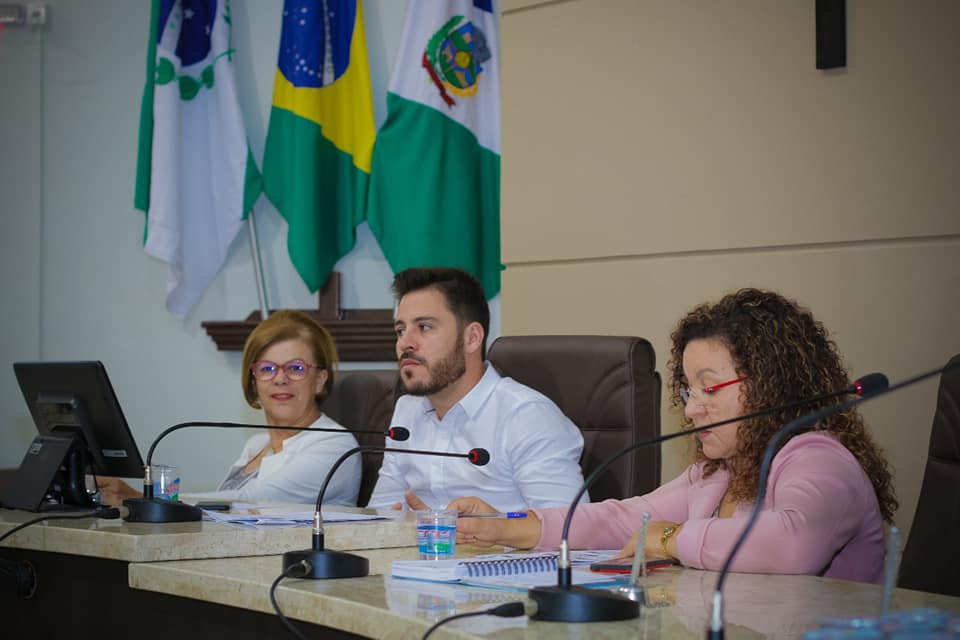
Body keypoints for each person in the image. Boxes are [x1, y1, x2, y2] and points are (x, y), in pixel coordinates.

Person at [454, 288, 897, 584]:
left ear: (771, 384)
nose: (691, 407)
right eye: (688, 389)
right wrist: (506, 527)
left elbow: (792, 544)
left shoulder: (818, 457)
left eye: (710, 387)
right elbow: (621, 519)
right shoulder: (717, 473)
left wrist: (670, 539)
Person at [366, 267, 588, 512]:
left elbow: (571, 531)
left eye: (424, 327)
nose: (405, 343)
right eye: (400, 330)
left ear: (472, 338)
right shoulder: (407, 411)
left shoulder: (526, 416)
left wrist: (491, 530)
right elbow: (381, 515)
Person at [97, 310, 361, 506]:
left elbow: (247, 503)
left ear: (320, 380)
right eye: (267, 369)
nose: (280, 379)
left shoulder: (335, 447)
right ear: (254, 380)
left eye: (296, 368)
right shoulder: (257, 445)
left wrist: (139, 498)